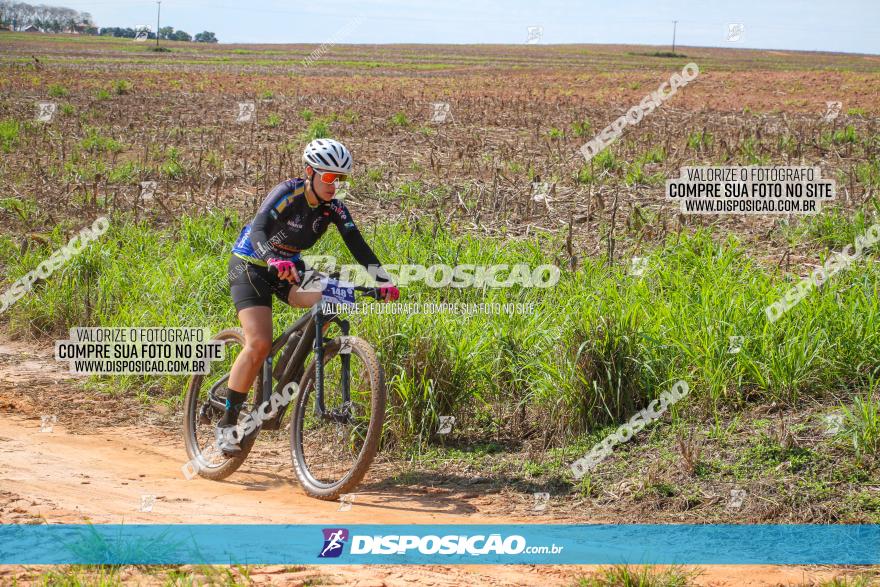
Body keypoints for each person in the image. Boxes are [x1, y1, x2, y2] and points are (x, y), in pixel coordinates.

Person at [219, 138, 399, 453]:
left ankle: (289, 369)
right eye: (329, 177)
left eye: (341, 179)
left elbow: (358, 245)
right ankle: (228, 423)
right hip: (251, 264)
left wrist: (383, 280)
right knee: (259, 342)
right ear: (309, 172)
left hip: (291, 267)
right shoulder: (287, 193)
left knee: (334, 294)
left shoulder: (335, 208)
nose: (335, 185)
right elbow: (259, 229)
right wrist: (273, 259)